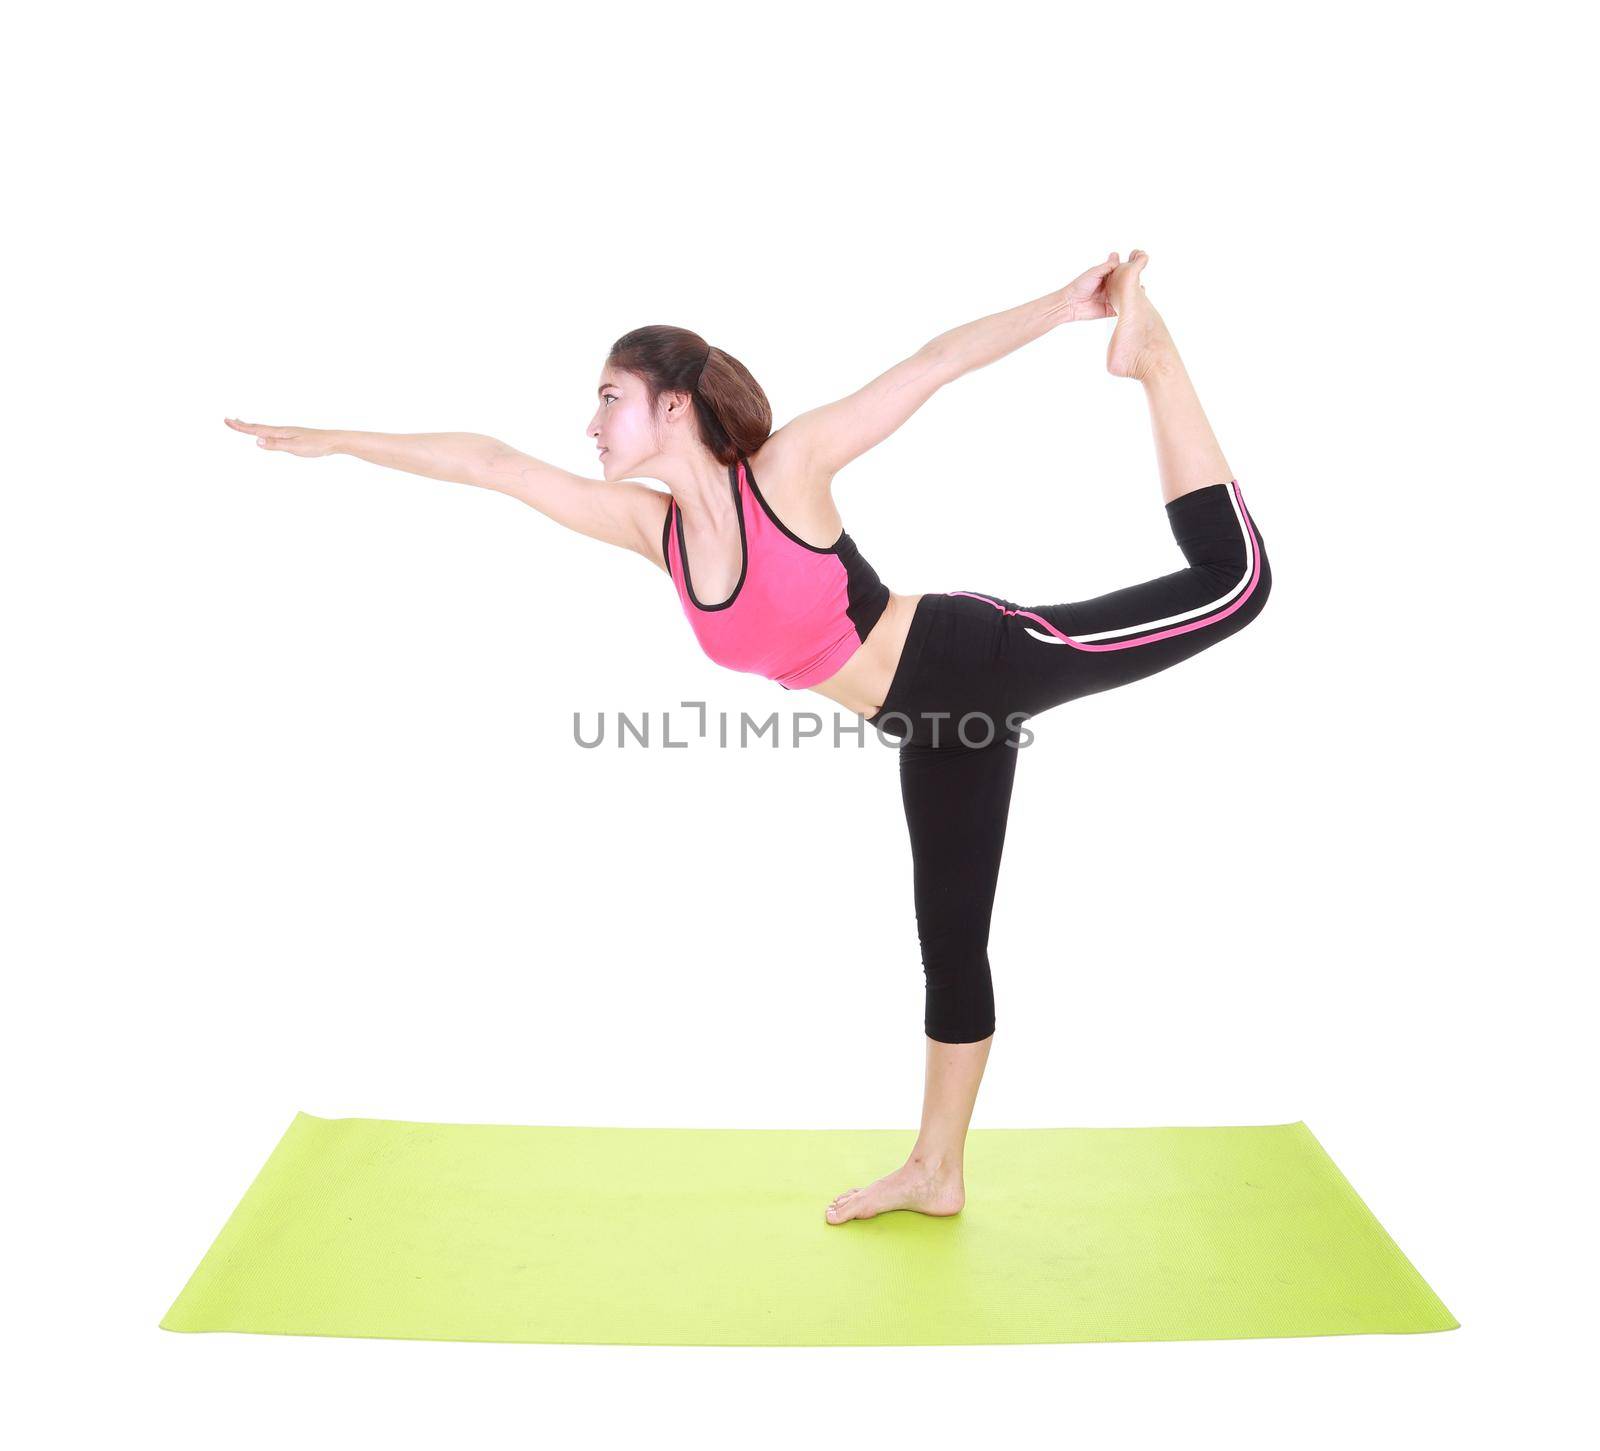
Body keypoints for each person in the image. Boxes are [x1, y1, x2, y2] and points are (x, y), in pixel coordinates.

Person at [224, 250, 1272, 1227]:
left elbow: (935, 362)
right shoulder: (654, 529)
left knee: (1232, 586)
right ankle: (935, 1170)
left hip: (978, 657)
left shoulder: (787, 471)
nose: (592, 422)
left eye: (608, 396)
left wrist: (1064, 306)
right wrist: (343, 441)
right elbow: (493, 464)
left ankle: (1156, 360)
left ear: (671, 404)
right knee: (949, 944)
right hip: (935, 728)